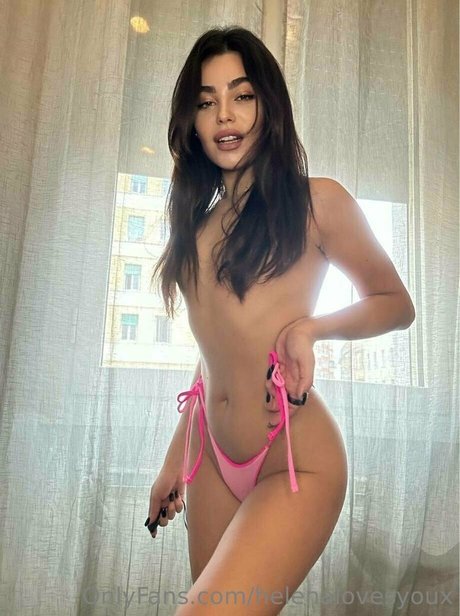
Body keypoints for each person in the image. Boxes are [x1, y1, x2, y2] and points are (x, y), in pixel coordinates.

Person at [145, 26, 415, 616]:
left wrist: (310, 329)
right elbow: (215, 356)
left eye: (242, 95)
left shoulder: (319, 202)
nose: (225, 114)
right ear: (192, 123)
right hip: (211, 457)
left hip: (293, 457)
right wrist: (175, 459)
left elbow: (397, 303)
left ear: (269, 105)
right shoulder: (197, 227)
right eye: (206, 102)